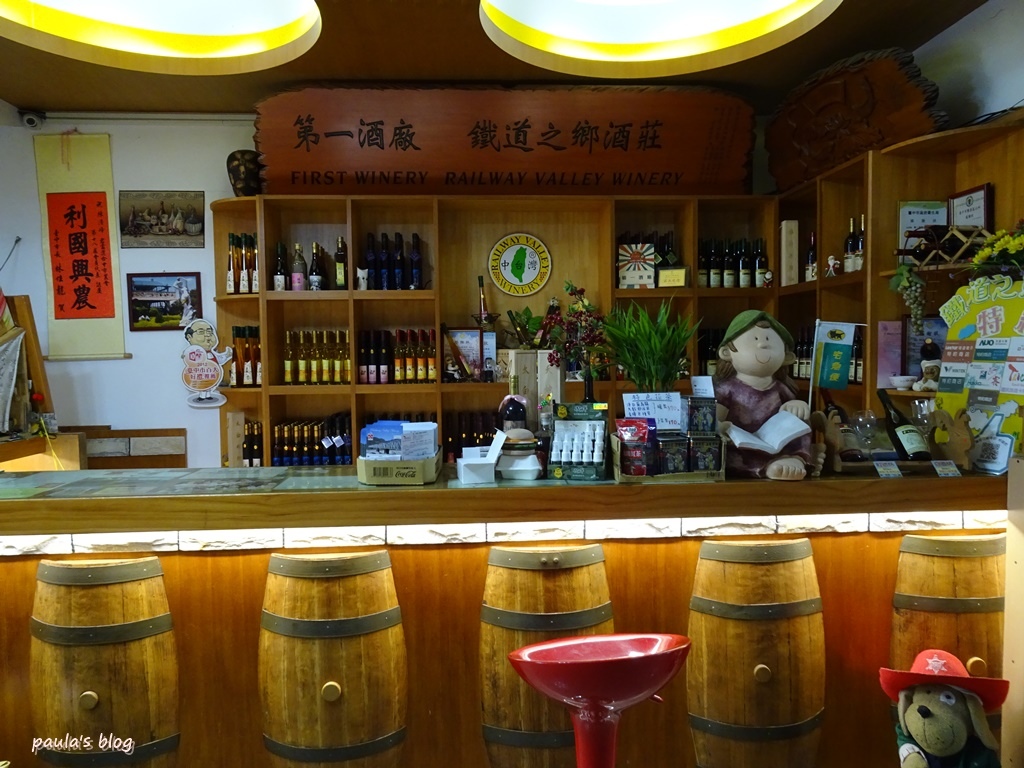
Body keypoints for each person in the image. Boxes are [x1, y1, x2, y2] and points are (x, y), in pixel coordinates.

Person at [713, 310, 814, 480]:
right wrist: (719, 426)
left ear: (786, 356)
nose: (762, 345)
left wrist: (797, 406)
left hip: (778, 448)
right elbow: (715, 416)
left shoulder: (781, 388)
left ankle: (794, 458)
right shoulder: (727, 389)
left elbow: (795, 413)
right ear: (726, 352)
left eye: (768, 340)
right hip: (740, 449)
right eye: (754, 340)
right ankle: (762, 467)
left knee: (801, 422)